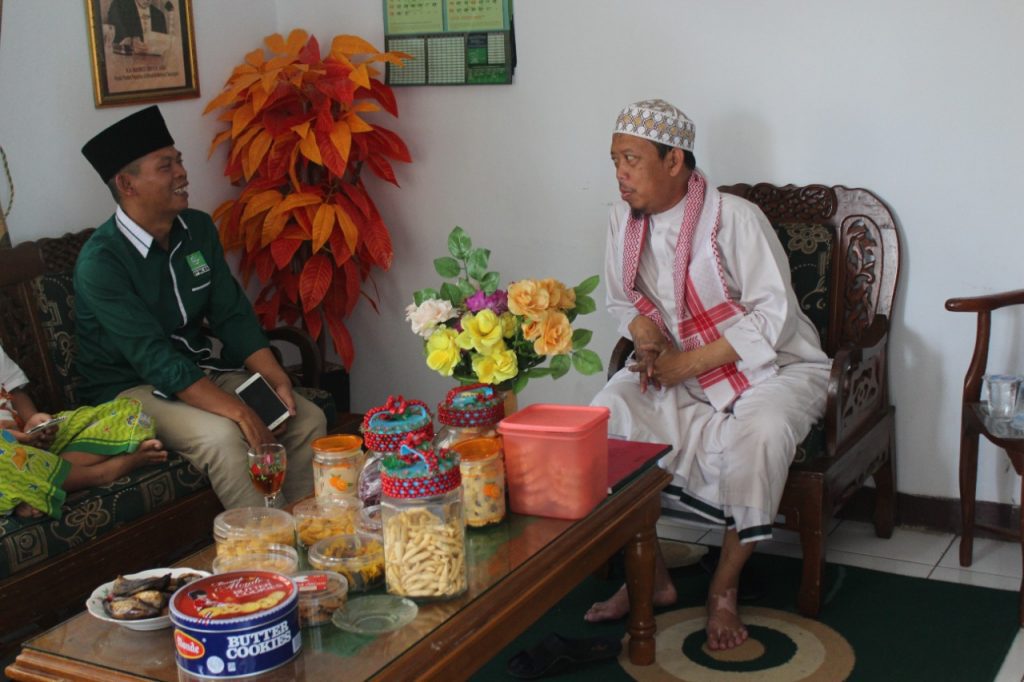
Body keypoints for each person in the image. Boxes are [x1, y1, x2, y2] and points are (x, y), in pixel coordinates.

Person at [587, 99, 831, 651]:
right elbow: (622, 302)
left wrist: (688, 364)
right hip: (679, 367)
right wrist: (648, 340)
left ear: (675, 161)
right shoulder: (620, 222)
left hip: (776, 368)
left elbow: (774, 317)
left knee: (761, 430)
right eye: (614, 161)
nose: (620, 173)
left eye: (631, 158)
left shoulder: (735, 218)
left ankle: (723, 589)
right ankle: (651, 575)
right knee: (608, 412)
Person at [78, 105, 326, 510]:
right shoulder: (101, 262)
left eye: (178, 161)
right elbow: (154, 359)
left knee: (303, 417)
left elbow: (231, 312)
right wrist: (241, 413)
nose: (182, 173)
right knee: (225, 435)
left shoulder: (197, 229)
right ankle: (266, 553)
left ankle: (308, 535)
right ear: (127, 184)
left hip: (195, 372)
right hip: (129, 390)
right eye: (166, 166)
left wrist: (276, 378)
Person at [0, 344, 167, 519]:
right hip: (6, 460)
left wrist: (33, 421)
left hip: (32, 446)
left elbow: (15, 393)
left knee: (126, 411)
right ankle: (102, 473)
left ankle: (36, 487)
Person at [105, 0, 171, 56]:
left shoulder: (159, 15)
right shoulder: (119, 5)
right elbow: (114, 27)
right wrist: (130, 41)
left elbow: (164, 45)